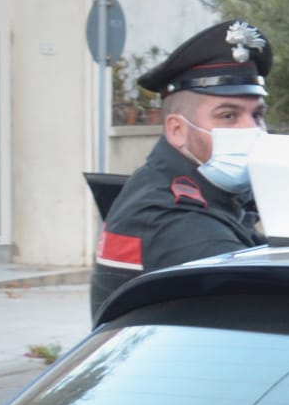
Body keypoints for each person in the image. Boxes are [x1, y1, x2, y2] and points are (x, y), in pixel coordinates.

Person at [89, 20, 271, 321]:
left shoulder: (200, 194)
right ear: (177, 129)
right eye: (228, 115)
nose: (251, 129)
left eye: (257, 115)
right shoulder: (175, 221)